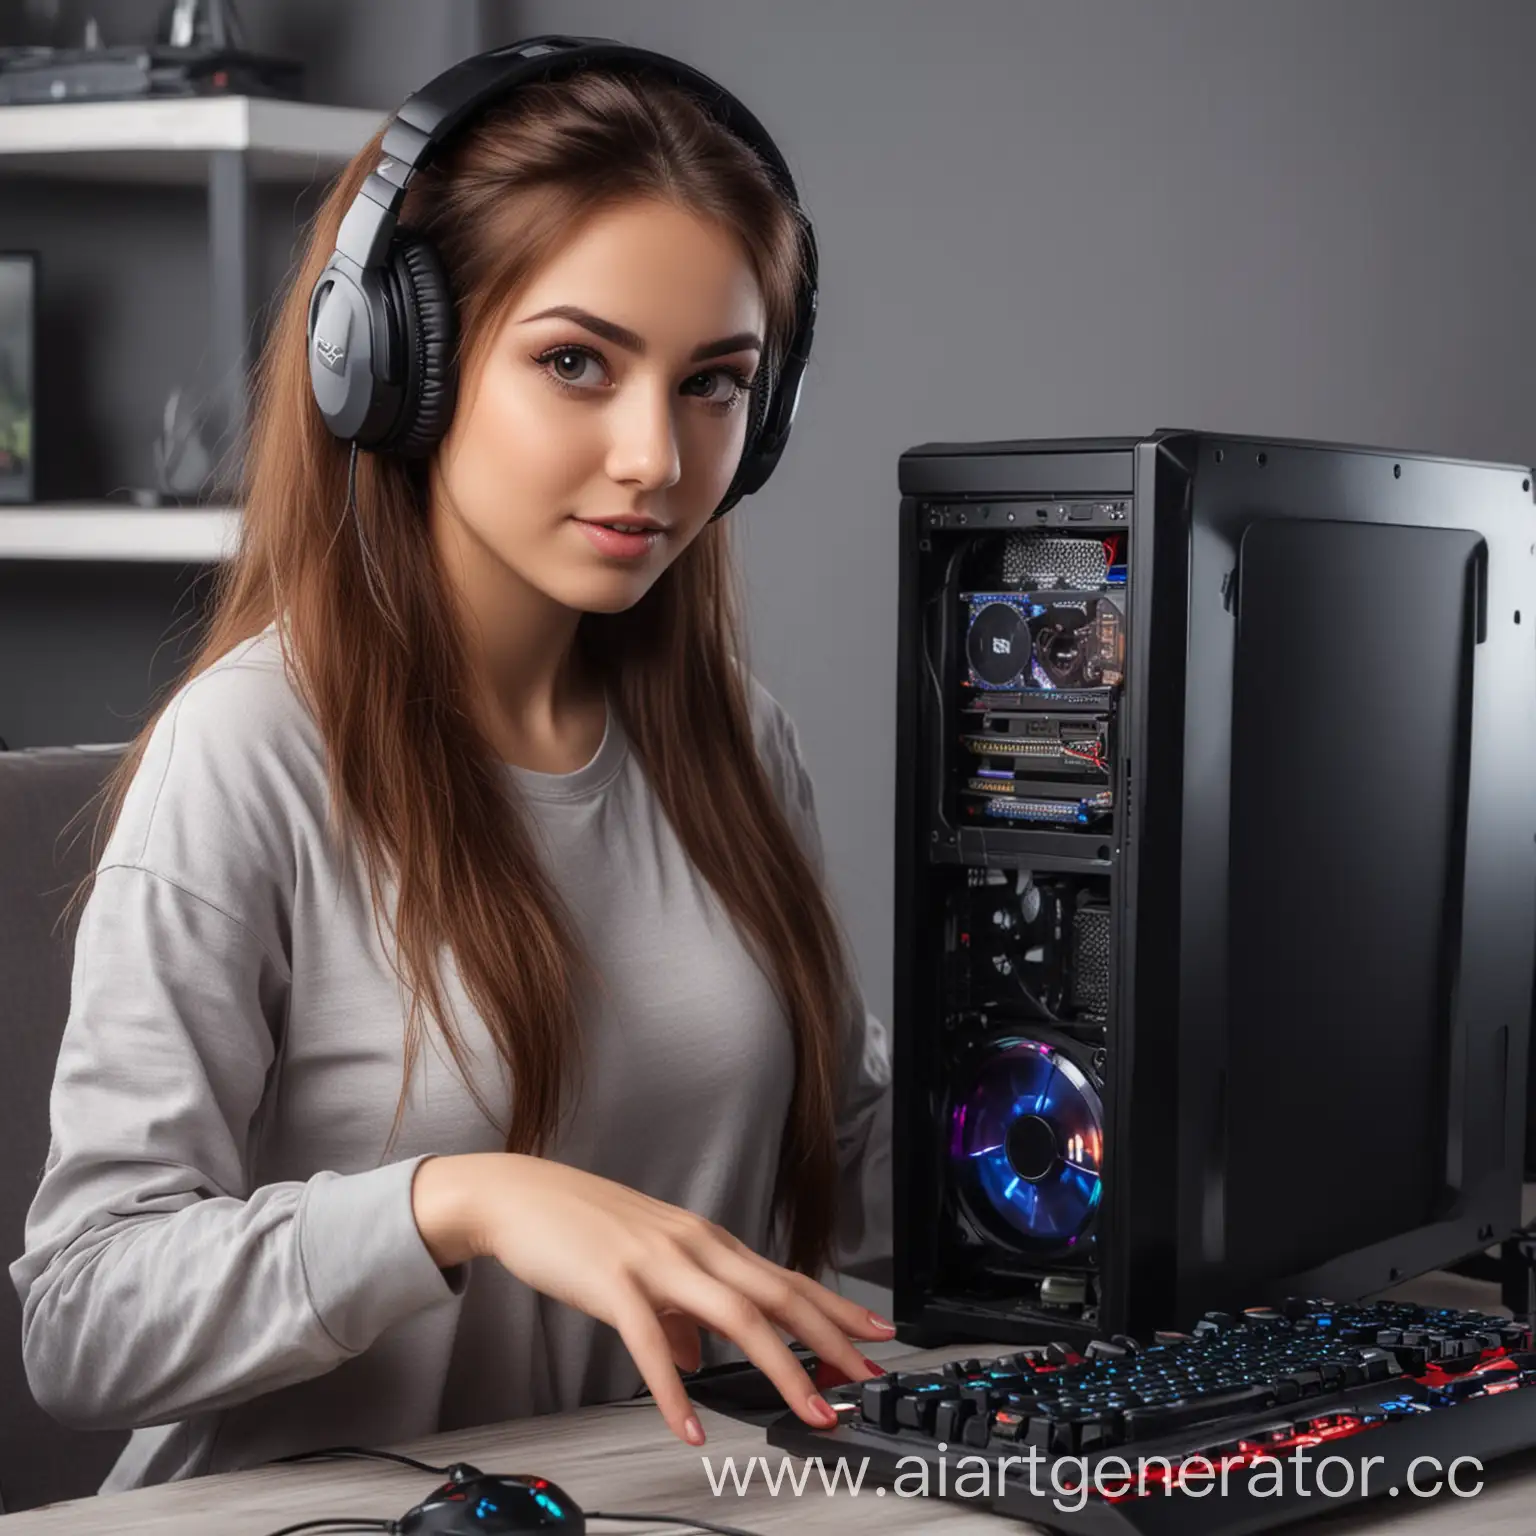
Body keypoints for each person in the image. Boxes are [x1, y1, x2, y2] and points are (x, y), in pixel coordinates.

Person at [9, 40, 893, 1493]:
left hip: (646, 1501)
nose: (653, 457)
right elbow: (82, 1319)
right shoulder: (249, 755)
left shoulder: (736, 743)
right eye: (574, 363)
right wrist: (451, 1204)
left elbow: (857, 1200)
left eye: (714, 385)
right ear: (395, 366)